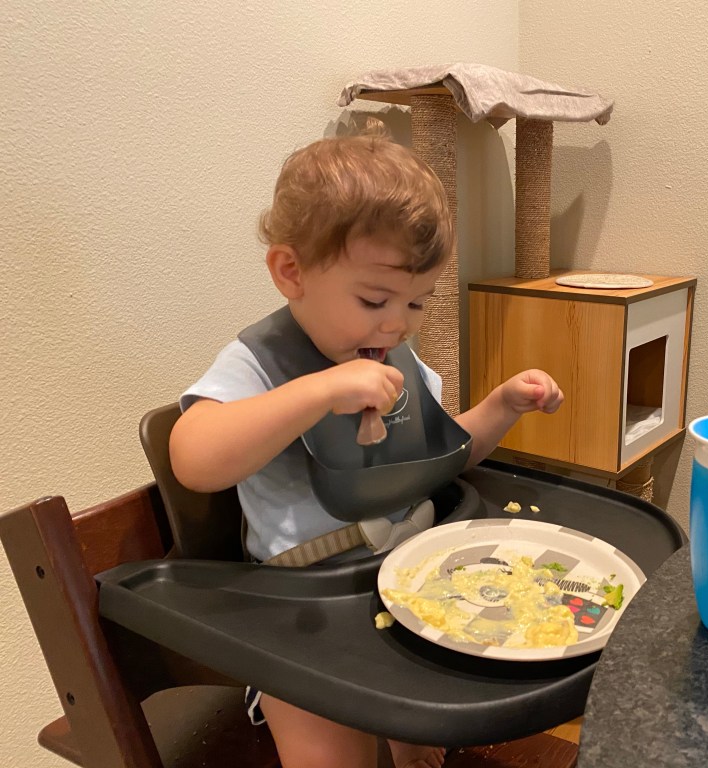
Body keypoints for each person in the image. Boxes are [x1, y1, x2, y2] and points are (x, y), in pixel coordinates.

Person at [168, 122, 564, 768]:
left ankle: (405, 732)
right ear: (291, 272)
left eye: (417, 304)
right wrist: (319, 391)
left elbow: (442, 459)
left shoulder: (393, 359)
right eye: (376, 299)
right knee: (329, 756)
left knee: (455, 684)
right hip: (302, 608)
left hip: (406, 577)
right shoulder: (259, 362)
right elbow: (194, 458)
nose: (397, 324)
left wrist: (501, 407)